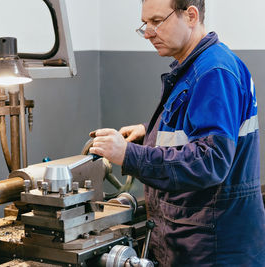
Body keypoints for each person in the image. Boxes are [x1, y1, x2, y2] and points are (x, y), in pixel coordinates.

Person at [89, 0, 265, 266]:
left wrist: (129, 155)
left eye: (157, 22)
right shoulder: (199, 66)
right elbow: (198, 131)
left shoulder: (213, 72)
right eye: (145, 24)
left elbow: (210, 161)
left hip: (213, 248)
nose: (148, 33)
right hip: (198, 240)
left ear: (191, 15)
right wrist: (150, 134)